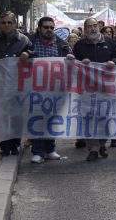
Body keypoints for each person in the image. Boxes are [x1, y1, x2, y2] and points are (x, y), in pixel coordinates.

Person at [0, 11, 32, 156]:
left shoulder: (24, 40)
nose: (6, 25)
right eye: (3, 23)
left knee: (16, 116)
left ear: (15, 24)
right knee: (2, 116)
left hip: (18, 85)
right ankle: (4, 146)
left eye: (9, 22)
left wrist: (27, 54)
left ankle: (15, 144)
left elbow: (33, 52)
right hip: (0, 85)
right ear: (0, 25)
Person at [73, 18, 116, 161]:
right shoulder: (79, 45)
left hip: (106, 86)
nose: (93, 29)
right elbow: (74, 62)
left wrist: (114, 62)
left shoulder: (109, 42)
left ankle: (101, 144)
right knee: (89, 118)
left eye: (95, 26)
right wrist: (81, 63)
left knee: (105, 117)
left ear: (99, 27)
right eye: (89, 26)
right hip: (87, 88)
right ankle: (93, 148)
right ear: (85, 29)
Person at [28, 16, 74, 163]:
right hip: (35, 89)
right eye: (46, 27)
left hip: (55, 89)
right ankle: (37, 151)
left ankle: (50, 149)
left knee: (52, 119)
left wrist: (70, 58)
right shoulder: (30, 42)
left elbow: (72, 60)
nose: (49, 30)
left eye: (51, 28)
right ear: (39, 28)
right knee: (37, 119)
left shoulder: (61, 44)